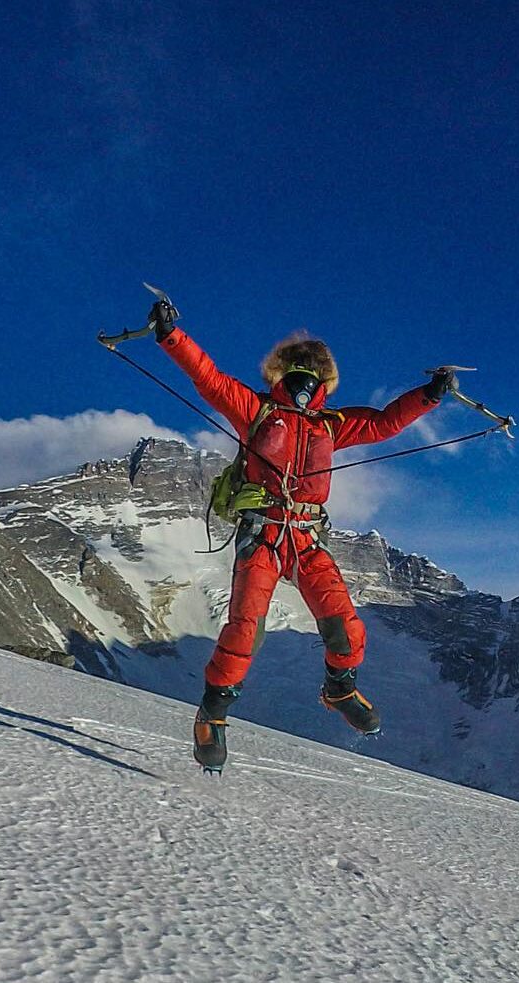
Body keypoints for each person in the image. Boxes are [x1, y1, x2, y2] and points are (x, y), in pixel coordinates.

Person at [148, 299, 454, 771]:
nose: (306, 380)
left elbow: (386, 422)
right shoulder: (256, 410)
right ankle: (213, 712)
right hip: (264, 534)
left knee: (345, 624)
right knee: (245, 629)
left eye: (314, 372)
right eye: (299, 369)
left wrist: (430, 395)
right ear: (281, 372)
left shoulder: (330, 424)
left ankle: (339, 689)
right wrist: (171, 335)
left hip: (307, 537)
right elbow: (207, 378)